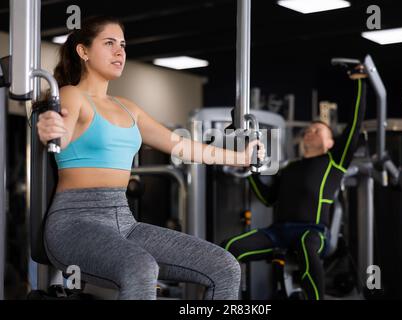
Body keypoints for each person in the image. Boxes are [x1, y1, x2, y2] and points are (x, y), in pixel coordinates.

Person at [36, 16, 265, 300]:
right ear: (83, 51)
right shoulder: (72, 96)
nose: (119, 52)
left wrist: (240, 157)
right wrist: (50, 128)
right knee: (140, 267)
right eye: (109, 44)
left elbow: (181, 145)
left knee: (224, 266)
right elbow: (60, 133)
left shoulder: (128, 107)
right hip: (75, 222)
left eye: (122, 45)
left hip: (124, 220)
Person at [222, 79, 366, 300]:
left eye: (318, 130)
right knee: (228, 247)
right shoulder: (290, 167)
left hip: (314, 231)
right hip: (278, 232)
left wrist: (360, 82)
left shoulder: (333, 162)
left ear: (330, 143)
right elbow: (268, 198)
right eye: (309, 129)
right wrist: (252, 171)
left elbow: (355, 125)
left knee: (306, 246)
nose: (310, 131)